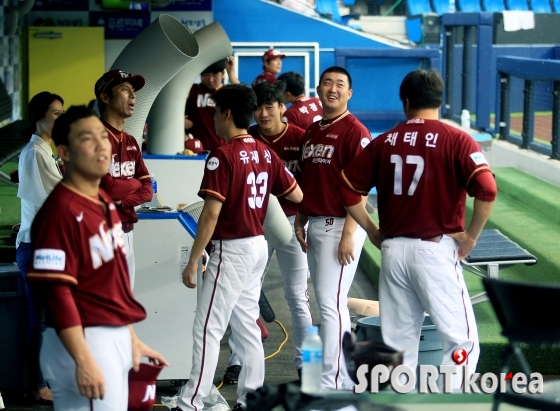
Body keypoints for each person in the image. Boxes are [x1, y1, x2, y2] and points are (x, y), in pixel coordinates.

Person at [340, 69, 497, 390]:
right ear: (440, 101)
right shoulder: (456, 139)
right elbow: (487, 189)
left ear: (406, 101)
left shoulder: (385, 141)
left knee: (399, 348)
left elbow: (346, 190)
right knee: (461, 344)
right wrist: (471, 236)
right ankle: (450, 405)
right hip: (435, 252)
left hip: (394, 251)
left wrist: (371, 229)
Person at [26, 105, 168, 410]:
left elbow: (111, 284)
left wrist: (129, 336)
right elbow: (57, 293)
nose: (102, 144)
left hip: (109, 333)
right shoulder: (58, 213)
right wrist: (83, 360)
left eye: (103, 136)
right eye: (87, 138)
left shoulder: (101, 198)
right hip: (83, 341)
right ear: (63, 152)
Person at [175, 84, 303, 411]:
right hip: (257, 246)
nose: (214, 119)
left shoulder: (223, 155)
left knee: (207, 328)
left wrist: (193, 258)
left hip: (231, 249)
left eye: (216, 112)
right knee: (246, 326)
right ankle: (252, 398)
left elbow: (211, 213)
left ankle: (190, 402)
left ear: (227, 113)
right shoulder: (264, 151)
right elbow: (297, 195)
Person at [294, 66, 371, 391]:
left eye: (340, 84)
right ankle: (335, 376)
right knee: (328, 302)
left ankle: (335, 380)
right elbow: (308, 179)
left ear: (349, 93)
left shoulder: (355, 131)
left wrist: (349, 233)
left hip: (341, 225)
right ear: (319, 89)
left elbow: (362, 188)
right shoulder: (313, 131)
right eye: (328, 83)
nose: (333, 89)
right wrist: (301, 216)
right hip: (317, 223)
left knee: (331, 302)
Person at [248, 82, 312, 379]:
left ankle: (306, 363)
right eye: (258, 108)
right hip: (254, 225)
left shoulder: (301, 139)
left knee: (297, 296)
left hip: (292, 222)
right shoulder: (247, 138)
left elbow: (311, 185)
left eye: (269, 106)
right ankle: (242, 362)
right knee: (244, 296)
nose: (263, 113)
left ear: (282, 107)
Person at [16, 91, 64, 405]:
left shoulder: (44, 151)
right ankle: (36, 384)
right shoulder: (35, 153)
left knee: (48, 318)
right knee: (41, 319)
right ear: (39, 117)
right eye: (56, 113)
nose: (61, 119)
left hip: (41, 245)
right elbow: (57, 198)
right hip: (36, 247)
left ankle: (44, 380)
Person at [95, 69, 153, 289]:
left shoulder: (129, 139)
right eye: (124, 89)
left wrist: (124, 200)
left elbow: (148, 190)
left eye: (133, 90)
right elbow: (109, 190)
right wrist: (135, 183)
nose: (133, 95)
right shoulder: (93, 137)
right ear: (105, 97)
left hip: (127, 230)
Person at [184, 56, 240, 152]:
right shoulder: (194, 90)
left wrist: (230, 72)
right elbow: (171, 103)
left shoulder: (228, 92)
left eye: (214, 75)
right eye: (206, 75)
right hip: (199, 149)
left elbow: (242, 96)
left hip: (225, 148)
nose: (210, 80)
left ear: (222, 74)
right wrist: (179, 121)